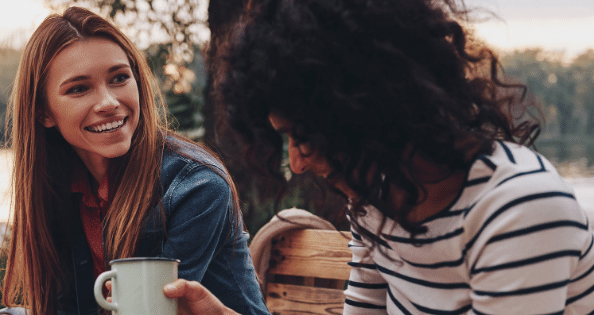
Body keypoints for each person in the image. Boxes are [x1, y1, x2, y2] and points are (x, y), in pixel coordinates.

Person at [165, 0, 594, 313]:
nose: (296, 163)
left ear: (372, 108)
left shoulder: (518, 210)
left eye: (303, 136)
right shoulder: (377, 202)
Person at [0, 7, 268, 315]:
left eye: (119, 78)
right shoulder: (61, 187)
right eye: (79, 88)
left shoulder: (196, 187)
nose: (108, 102)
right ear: (44, 112)